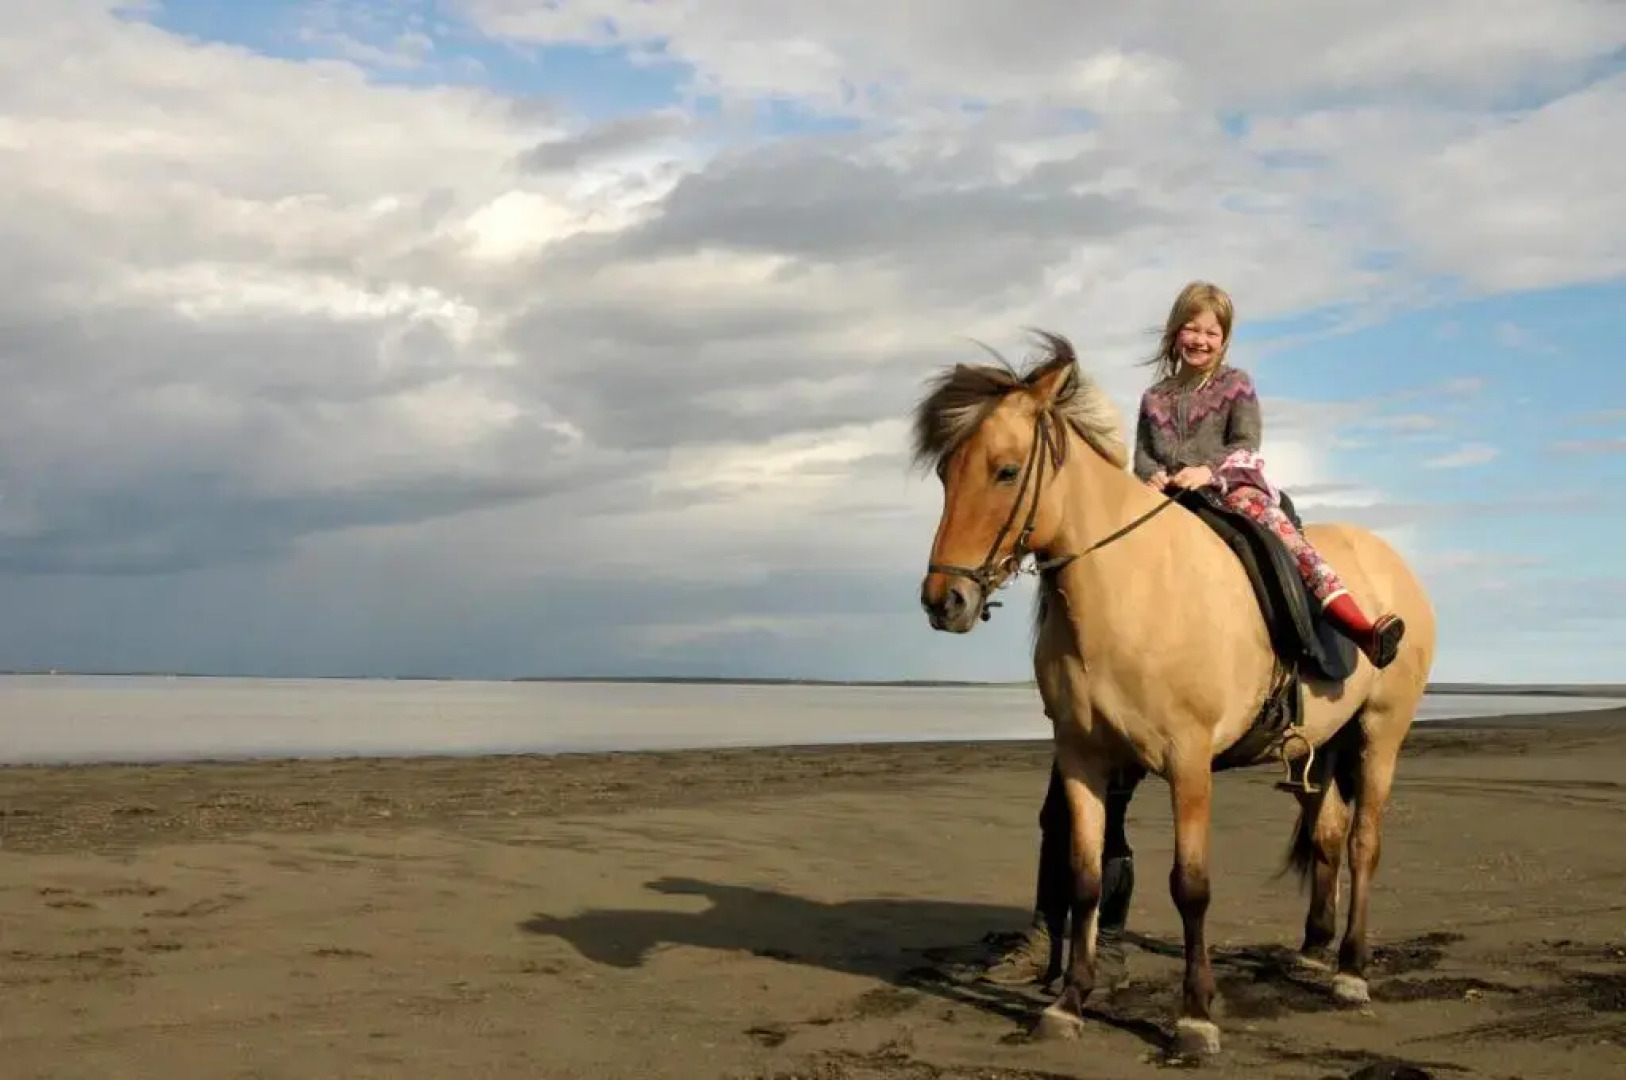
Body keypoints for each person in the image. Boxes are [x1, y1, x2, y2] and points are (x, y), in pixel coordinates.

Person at [1133, 280, 1405, 669]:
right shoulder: (1154, 397)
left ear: (1224, 340)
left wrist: (1206, 471)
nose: (1200, 340)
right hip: (1171, 495)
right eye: (1192, 328)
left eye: (1212, 332)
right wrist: (1154, 475)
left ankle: (1361, 630)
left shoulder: (1235, 383)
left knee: (1288, 540)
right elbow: (1142, 454)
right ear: (1176, 332)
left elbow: (1246, 442)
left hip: (1230, 486)